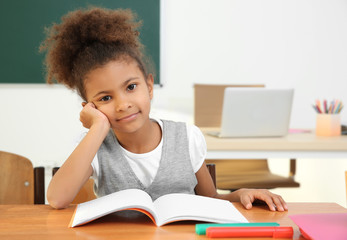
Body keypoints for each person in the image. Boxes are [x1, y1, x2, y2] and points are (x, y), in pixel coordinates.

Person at [40, 7, 287, 212]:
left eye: (131, 87)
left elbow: (210, 201)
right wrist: (98, 127)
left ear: (149, 86)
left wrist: (239, 194)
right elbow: (58, 199)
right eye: (105, 98)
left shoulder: (187, 138)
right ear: (90, 108)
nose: (123, 104)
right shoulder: (95, 147)